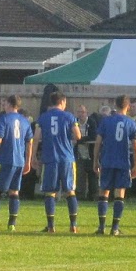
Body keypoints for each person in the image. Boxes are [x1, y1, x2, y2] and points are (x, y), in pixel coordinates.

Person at [32, 91, 81, 233]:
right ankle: (73, 225)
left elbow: (36, 138)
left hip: (49, 158)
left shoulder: (43, 118)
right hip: (67, 158)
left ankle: (51, 226)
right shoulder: (69, 116)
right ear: (62, 102)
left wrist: (33, 157)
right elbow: (78, 135)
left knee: (50, 192)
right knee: (70, 191)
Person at [0, 94, 32, 232]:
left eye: (4, 103)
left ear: (10, 104)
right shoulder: (24, 121)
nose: (3, 106)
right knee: (14, 191)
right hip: (19, 161)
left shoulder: (3, 118)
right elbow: (30, 142)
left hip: (4, 158)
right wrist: (27, 161)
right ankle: (12, 224)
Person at [92, 95, 136, 236]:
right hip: (123, 162)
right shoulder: (131, 123)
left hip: (107, 161)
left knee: (104, 191)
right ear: (128, 106)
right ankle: (115, 228)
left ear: (115, 104)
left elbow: (98, 142)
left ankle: (101, 227)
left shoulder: (106, 121)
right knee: (120, 193)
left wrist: (95, 160)